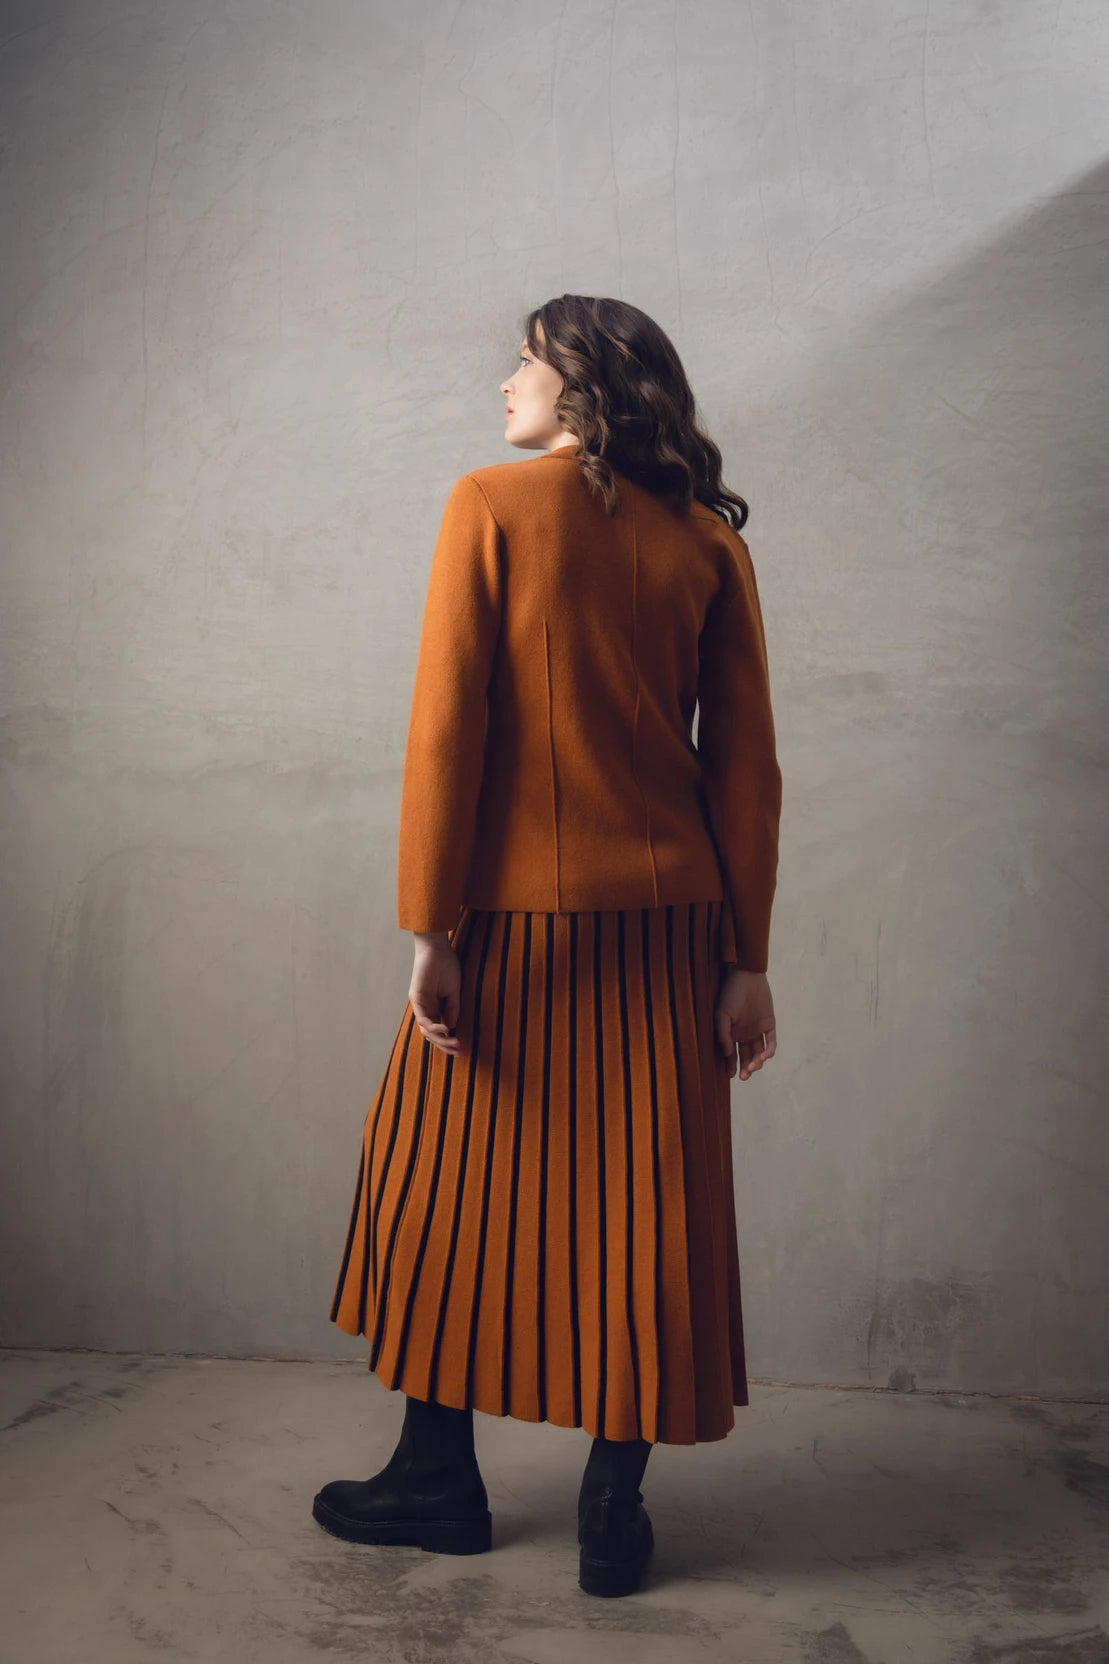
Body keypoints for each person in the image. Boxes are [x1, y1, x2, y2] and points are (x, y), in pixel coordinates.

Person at [313, 294, 782, 1599]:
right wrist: (746, 958)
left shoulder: (486, 505)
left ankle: (434, 1478)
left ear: (579, 383)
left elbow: (445, 727)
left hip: (513, 919)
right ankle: (610, 1510)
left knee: (434, 1189)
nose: (503, 385)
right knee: (648, 1207)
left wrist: (432, 927)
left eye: (522, 362)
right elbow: (743, 768)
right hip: (673, 925)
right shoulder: (710, 546)